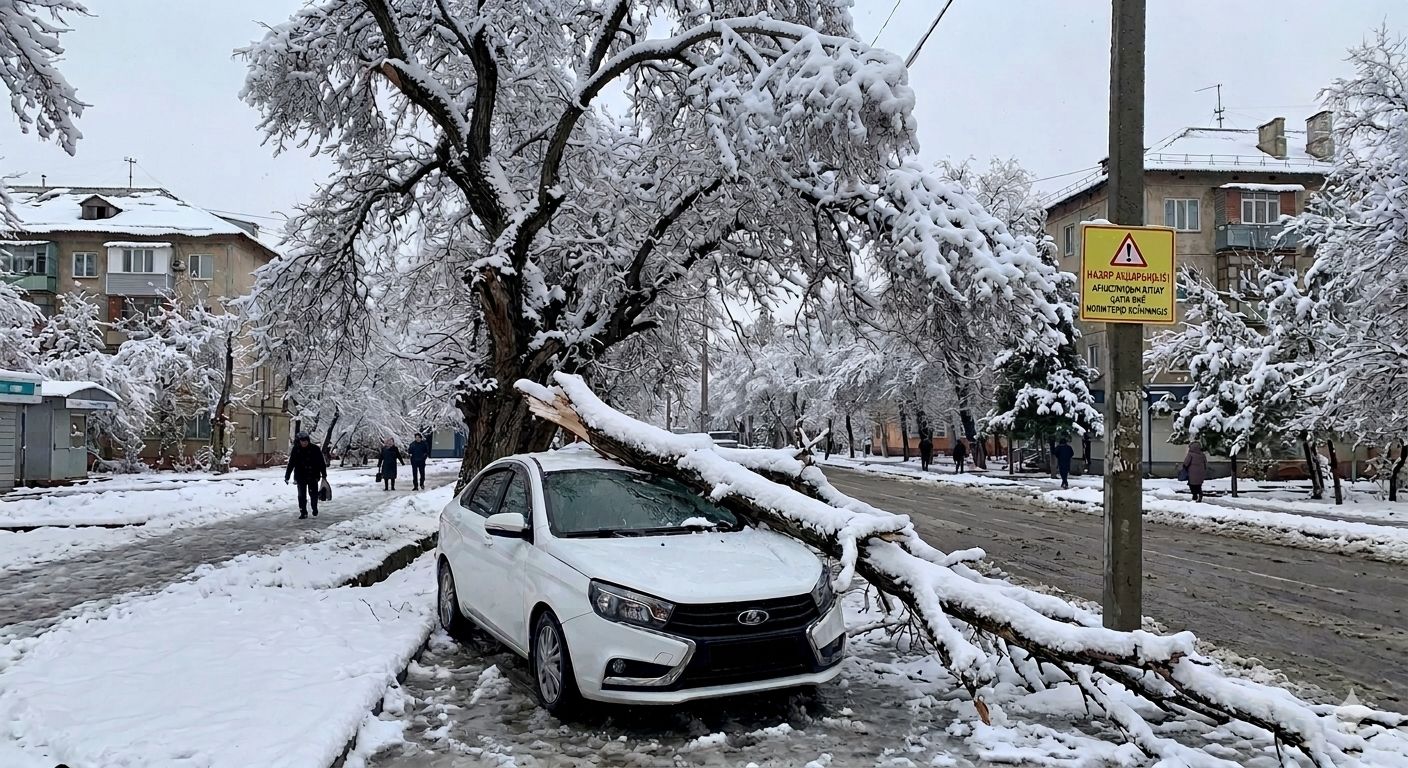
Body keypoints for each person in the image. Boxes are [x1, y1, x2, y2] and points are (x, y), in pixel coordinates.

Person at [285, 431, 328, 519]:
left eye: (305, 440)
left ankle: (314, 508)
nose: (304, 442)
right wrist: (287, 476)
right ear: (299, 441)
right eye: (302, 441)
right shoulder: (296, 449)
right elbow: (291, 463)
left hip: (313, 475)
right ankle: (303, 512)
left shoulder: (315, 449)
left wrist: (324, 474)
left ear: (308, 440)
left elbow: (321, 462)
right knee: (301, 496)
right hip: (300, 476)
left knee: (313, 494)